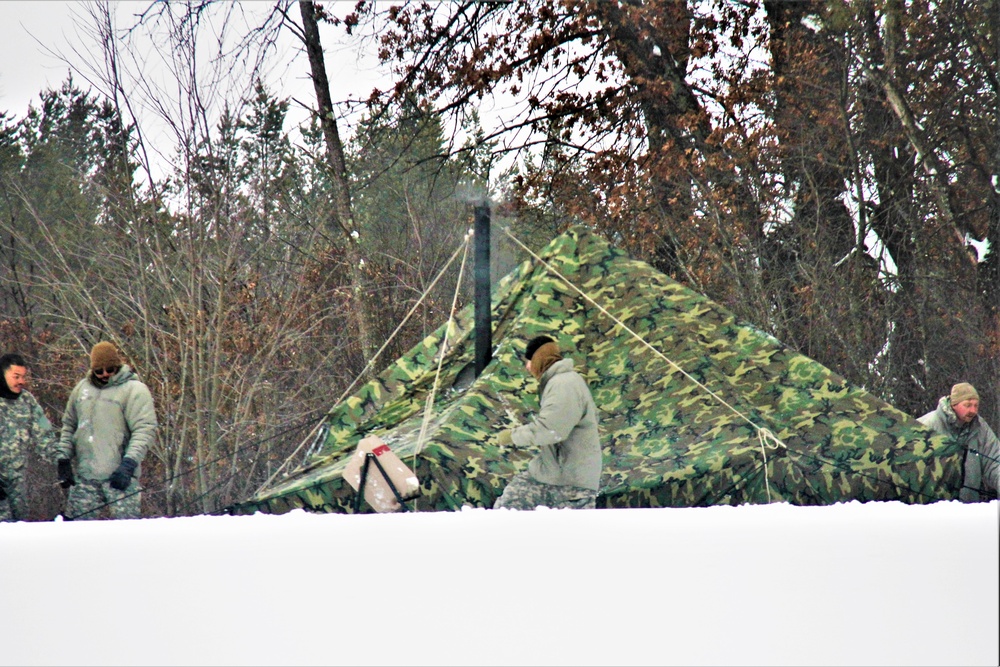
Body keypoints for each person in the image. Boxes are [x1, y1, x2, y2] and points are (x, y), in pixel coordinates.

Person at [493, 335, 602, 510]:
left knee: (508, 509)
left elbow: (551, 429)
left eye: (529, 360)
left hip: (566, 482)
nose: (527, 367)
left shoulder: (563, 384)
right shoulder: (561, 381)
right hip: (558, 474)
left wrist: (512, 436)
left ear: (539, 359)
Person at [56, 341, 157, 520]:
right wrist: (63, 458)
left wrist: (129, 464)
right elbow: (69, 425)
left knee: (126, 533)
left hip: (120, 477)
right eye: (99, 370)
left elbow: (144, 429)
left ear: (117, 365)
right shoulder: (81, 389)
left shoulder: (134, 390)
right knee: (76, 532)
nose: (104, 374)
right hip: (85, 477)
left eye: (109, 369)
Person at [0, 353, 59, 522]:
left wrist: (61, 461)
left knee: (21, 526)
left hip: (18, 483)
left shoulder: (27, 400)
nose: (21, 381)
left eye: (23, 377)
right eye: (16, 377)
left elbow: (44, 435)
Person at [918, 382, 999, 502]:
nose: (973, 410)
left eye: (976, 406)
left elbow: (995, 462)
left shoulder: (980, 428)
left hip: (968, 507)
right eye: (968, 405)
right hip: (931, 508)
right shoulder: (927, 425)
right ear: (954, 404)